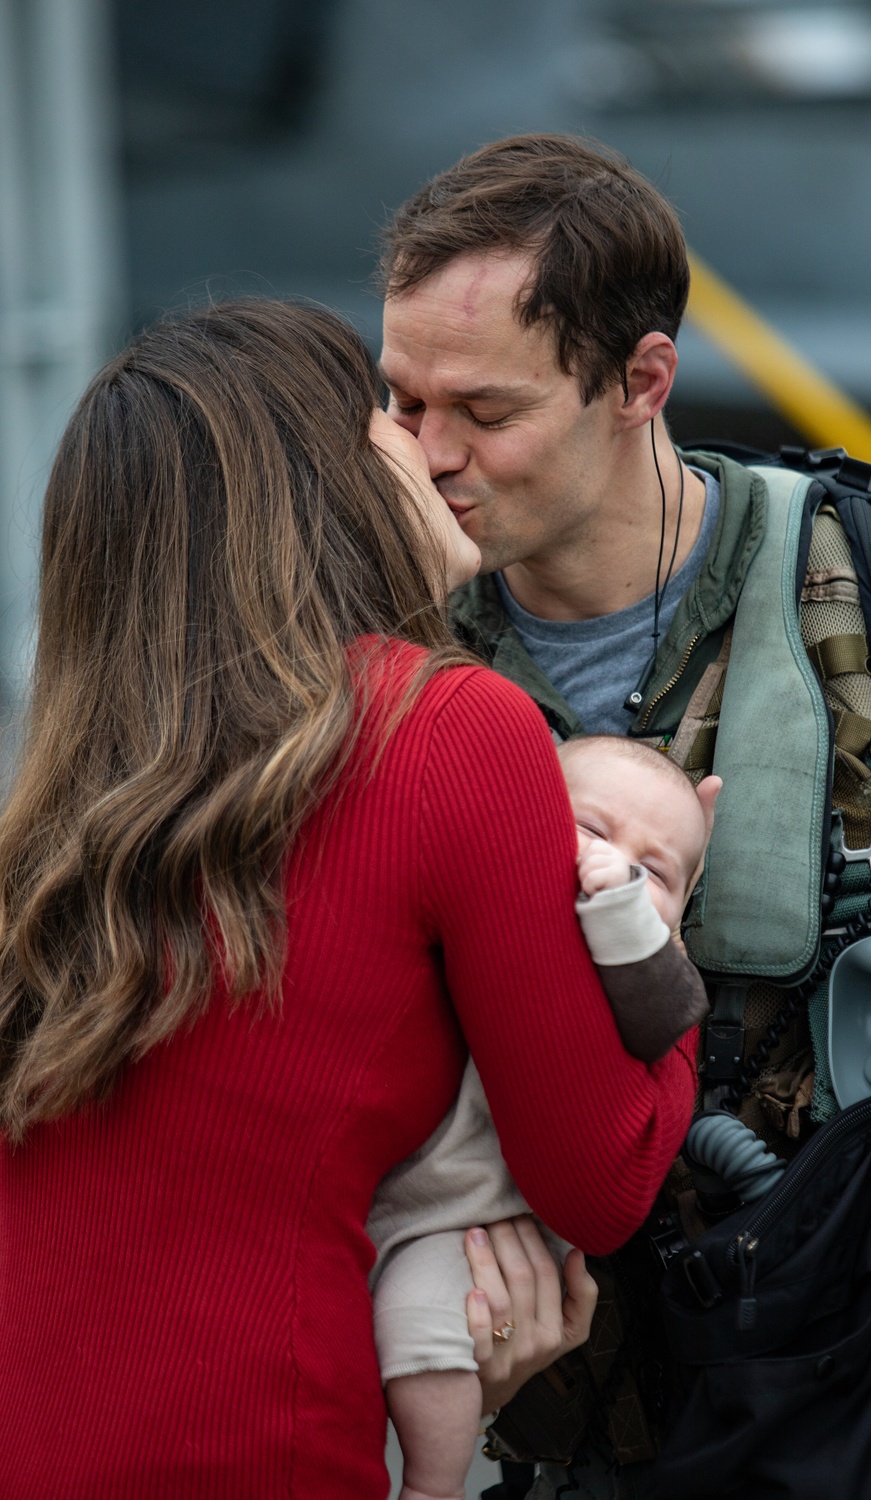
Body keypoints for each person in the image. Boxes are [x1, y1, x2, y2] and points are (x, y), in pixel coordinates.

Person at [376, 134, 871, 1497]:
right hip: (546, 1424)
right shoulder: (374, 663)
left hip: (866, 1405)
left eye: (482, 411)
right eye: (401, 402)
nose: (429, 458)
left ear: (641, 381)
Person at [0, 299, 702, 1499]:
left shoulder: (64, 799)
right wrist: (673, 964)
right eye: (386, 417)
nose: (423, 449)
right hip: (255, 1447)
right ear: (324, 480)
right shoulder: (447, 730)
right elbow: (604, 1174)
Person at [371, 738, 720, 1500]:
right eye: (590, 829)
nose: (617, 865)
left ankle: (432, 1486)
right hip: (380, 1181)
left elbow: (667, 1013)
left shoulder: (644, 966)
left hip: (474, 1225)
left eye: (656, 872)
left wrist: (624, 912)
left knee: (426, 1334)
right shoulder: (481, 890)